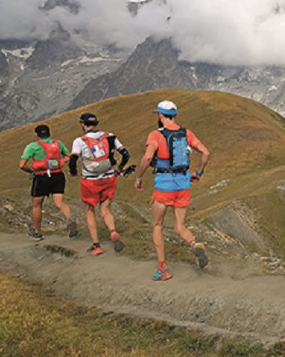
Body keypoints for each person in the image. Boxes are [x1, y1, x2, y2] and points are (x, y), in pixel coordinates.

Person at [133, 100, 210, 281]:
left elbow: (148, 157)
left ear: (160, 116)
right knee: (180, 226)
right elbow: (206, 153)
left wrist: (139, 176)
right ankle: (194, 243)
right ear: (175, 115)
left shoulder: (155, 135)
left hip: (164, 185)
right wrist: (198, 173)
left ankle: (163, 270)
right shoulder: (186, 133)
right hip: (183, 184)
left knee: (158, 225)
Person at [69, 113, 129, 256]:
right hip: (108, 177)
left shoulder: (79, 141)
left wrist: (73, 172)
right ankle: (112, 231)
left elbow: (73, 160)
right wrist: (119, 169)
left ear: (83, 124)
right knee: (106, 210)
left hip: (89, 181)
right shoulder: (110, 136)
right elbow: (126, 154)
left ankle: (96, 246)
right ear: (96, 123)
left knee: (90, 210)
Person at [18, 125, 78, 241]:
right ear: (49, 133)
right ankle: (70, 220)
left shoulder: (33, 146)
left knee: (37, 205)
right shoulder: (58, 143)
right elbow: (68, 156)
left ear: (37, 135)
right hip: (58, 175)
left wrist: (31, 171)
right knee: (59, 203)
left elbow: (22, 165)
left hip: (41, 176)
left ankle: (37, 232)